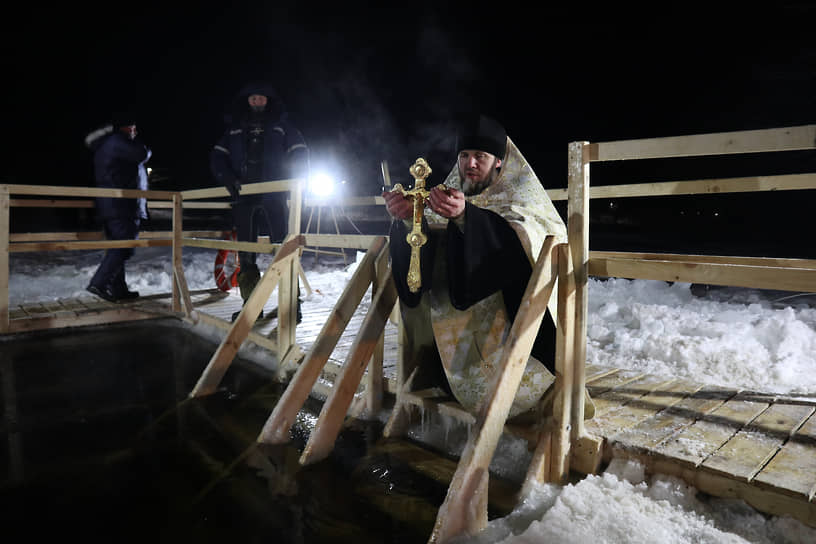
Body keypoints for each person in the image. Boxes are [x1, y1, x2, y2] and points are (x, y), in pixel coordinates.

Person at [383, 114, 592, 421]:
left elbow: (528, 239)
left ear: (499, 160)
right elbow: (427, 252)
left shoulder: (520, 194)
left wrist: (468, 219)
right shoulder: (447, 194)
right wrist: (406, 220)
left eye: (480, 156)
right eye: (464, 155)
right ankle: (440, 377)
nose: (470, 164)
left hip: (510, 327)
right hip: (455, 339)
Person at [210, 81, 309, 322]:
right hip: (243, 195)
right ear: (247, 101)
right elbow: (217, 157)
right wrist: (228, 178)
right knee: (246, 252)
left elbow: (300, 153)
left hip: (275, 192)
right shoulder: (234, 129)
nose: (257, 102)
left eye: (261, 98)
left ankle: (291, 303)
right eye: (253, 98)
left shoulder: (282, 127)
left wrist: (292, 181)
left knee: (284, 248)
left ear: (268, 100)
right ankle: (251, 304)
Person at [84, 112, 151, 303]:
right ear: (127, 128)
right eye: (134, 128)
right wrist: (145, 148)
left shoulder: (108, 144)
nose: (136, 132)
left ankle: (118, 289)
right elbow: (142, 154)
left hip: (113, 205)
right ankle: (99, 283)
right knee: (125, 246)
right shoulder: (117, 142)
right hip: (122, 205)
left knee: (118, 246)